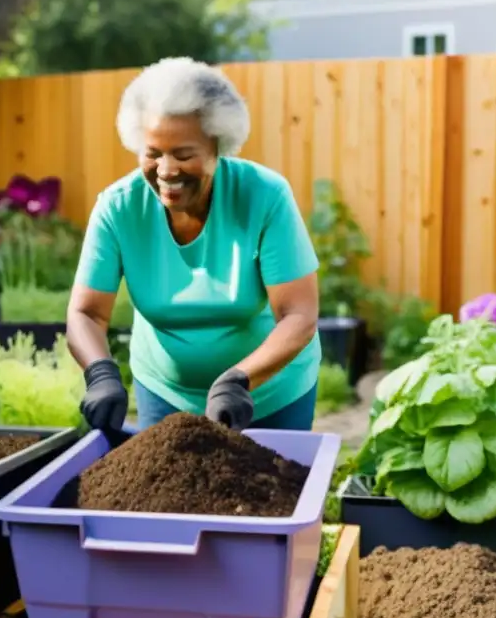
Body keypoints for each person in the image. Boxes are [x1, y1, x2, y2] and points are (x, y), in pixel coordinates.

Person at [67, 57, 322, 435]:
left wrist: (240, 380)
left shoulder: (264, 196)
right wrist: (101, 372)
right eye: (153, 153)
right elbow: (86, 313)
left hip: (267, 392)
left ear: (218, 149)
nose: (167, 170)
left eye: (184, 155)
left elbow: (299, 313)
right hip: (165, 393)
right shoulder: (118, 207)